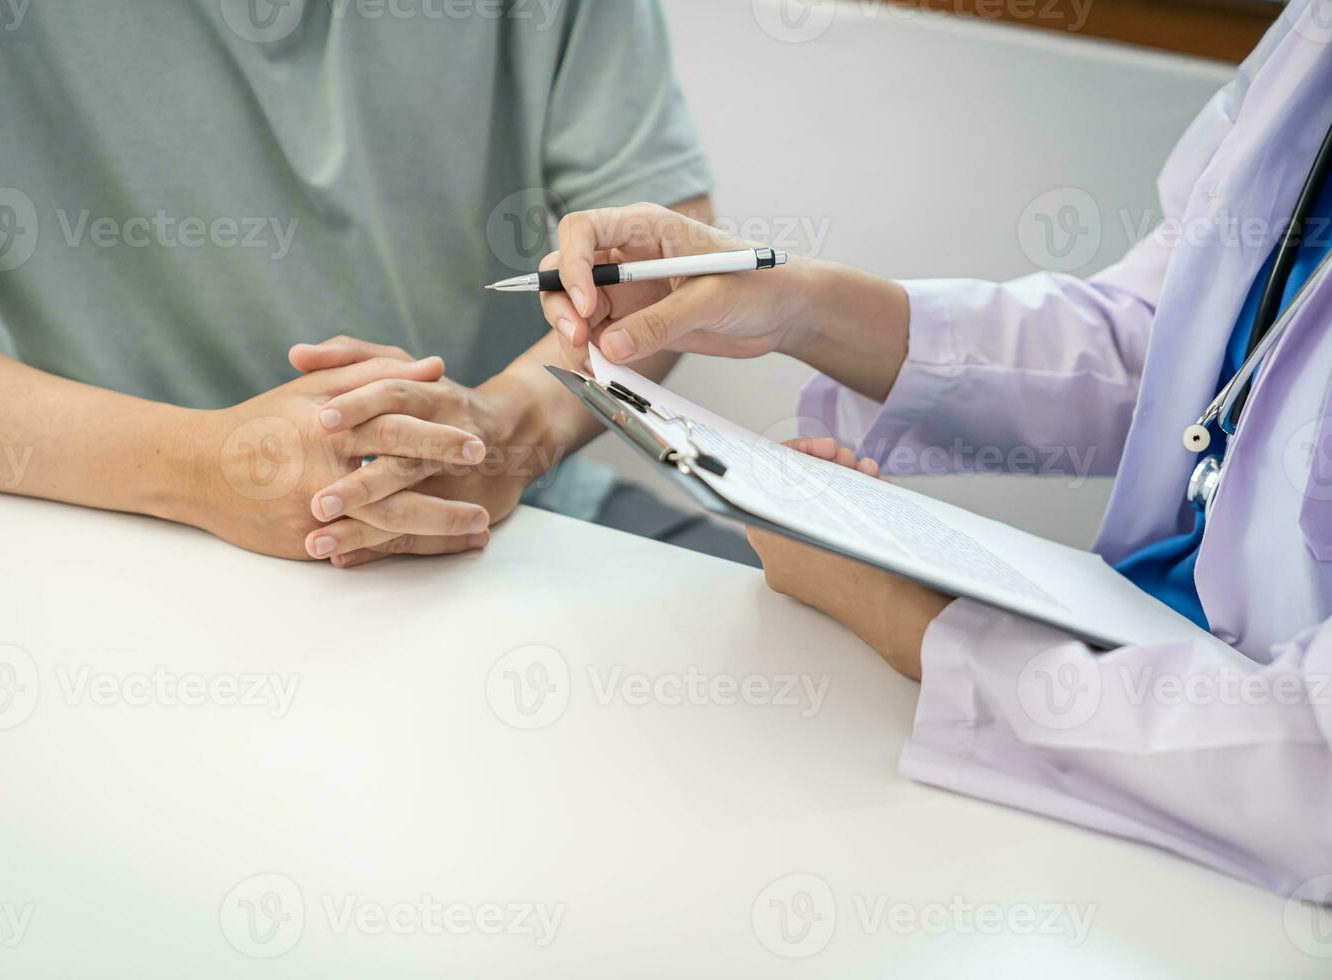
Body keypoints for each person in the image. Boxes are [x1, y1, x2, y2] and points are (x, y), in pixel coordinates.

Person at [539, 0, 1332, 900]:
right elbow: (1177, 340)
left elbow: (1310, 769)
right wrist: (796, 303)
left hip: (1226, 817)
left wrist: (905, 618)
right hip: (1121, 692)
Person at [0, 0, 754, 568]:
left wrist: (506, 432)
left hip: (522, 511)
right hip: (108, 524)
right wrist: (200, 466)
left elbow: (661, 253)